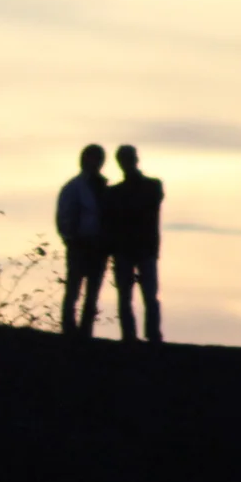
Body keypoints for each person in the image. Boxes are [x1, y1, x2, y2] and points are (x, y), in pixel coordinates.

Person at [104, 143, 165, 344]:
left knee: (144, 295)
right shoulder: (149, 187)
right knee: (132, 296)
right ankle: (136, 335)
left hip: (139, 248)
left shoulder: (147, 187)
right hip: (130, 248)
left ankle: (147, 335)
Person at [54, 143, 109, 337]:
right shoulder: (74, 187)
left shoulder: (103, 186)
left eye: (99, 159)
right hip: (79, 244)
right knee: (74, 289)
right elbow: (64, 216)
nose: (97, 162)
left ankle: (86, 330)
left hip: (99, 246)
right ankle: (69, 329)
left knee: (92, 292)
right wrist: (70, 239)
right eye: (93, 158)